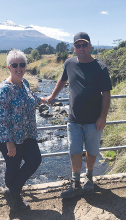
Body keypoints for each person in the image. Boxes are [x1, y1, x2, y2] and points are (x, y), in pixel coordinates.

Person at [46, 32, 112, 198]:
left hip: (93, 119)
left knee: (91, 151)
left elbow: (106, 94)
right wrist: (51, 97)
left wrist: (102, 117)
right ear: (74, 47)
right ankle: (75, 183)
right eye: (78, 45)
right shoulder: (69, 64)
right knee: (74, 151)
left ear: (90, 46)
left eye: (84, 45)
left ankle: (89, 178)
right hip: (74, 119)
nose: (81, 48)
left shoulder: (101, 67)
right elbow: (62, 80)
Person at [0, 49, 46, 210]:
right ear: (9, 67)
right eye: (14, 65)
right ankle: (16, 199)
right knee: (13, 167)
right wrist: (9, 143)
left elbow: (29, 99)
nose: (19, 68)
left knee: (35, 160)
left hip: (27, 133)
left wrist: (42, 100)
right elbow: (0, 119)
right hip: (11, 138)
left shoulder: (25, 83)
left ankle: (12, 191)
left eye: (22, 64)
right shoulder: (4, 90)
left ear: (25, 66)